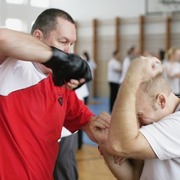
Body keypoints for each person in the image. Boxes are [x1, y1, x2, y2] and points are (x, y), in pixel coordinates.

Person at [0, 9, 110, 180]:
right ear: (37, 37)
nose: (68, 50)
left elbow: (85, 121)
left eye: (71, 44)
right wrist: (54, 57)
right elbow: (2, 38)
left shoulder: (60, 84)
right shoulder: (9, 66)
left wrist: (101, 130)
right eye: (62, 41)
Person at [91, 56, 180, 179]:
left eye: (139, 115)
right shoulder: (153, 127)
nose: (136, 124)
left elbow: (119, 145)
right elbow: (135, 176)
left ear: (161, 101)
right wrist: (105, 142)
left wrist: (131, 77)